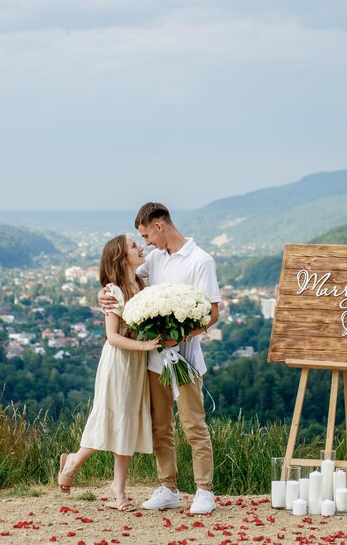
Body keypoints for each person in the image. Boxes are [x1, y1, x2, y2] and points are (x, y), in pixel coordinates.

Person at [99, 203, 221, 514]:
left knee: (194, 424)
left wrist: (178, 338)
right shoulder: (153, 260)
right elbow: (122, 277)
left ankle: (204, 490)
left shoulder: (200, 260)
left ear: (159, 226)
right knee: (160, 426)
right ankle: (168, 487)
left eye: (145, 235)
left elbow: (213, 314)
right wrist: (103, 294)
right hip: (155, 358)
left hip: (186, 359)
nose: (145, 242)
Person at [58, 235, 161, 511]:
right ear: (121, 257)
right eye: (133, 246)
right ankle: (73, 462)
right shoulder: (113, 292)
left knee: (125, 423)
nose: (140, 248)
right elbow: (112, 337)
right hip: (119, 362)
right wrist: (146, 344)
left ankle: (118, 489)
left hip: (137, 362)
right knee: (109, 420)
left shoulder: (143, 284)